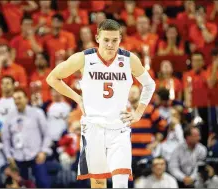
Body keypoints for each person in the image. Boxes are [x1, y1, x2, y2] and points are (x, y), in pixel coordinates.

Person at [46, 19, 155, 188]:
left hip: (119, 128)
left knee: (121, 183)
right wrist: (78, 98)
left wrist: (138, 112)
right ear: (97, 38)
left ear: (120, 39)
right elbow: (52, 78)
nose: (110, 44)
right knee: (98, 184)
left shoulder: (129, 60)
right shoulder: (84, 58)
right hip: (93, 129)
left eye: (115, 40)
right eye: (106, 40)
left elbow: (150, 84)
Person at [1, 88, 51, 188]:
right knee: (20, 185)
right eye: (14, 99)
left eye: (19, 98)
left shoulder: (37, 113)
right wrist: (9, 156)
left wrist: (43, 151)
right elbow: (5, 138)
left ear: (26, 99)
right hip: (18, 157)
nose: (17, 101)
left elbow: (47, 134)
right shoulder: (10, 116)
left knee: (44, 184)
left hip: (36, 155)